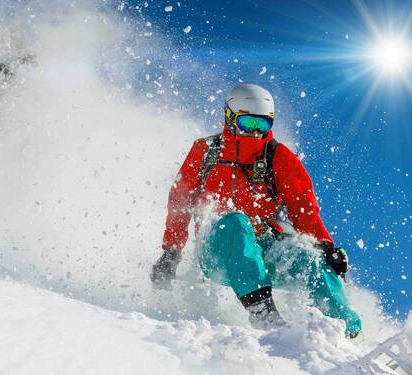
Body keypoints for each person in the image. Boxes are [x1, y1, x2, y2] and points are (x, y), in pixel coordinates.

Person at [151, 83, 362, 337]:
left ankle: (345, 330)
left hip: (265, 248)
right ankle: (263, 312)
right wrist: (171, 252)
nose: (254, 133)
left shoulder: (277, 156)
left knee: (311, 259)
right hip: (217, 250)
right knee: (235, 221)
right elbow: (180, 202)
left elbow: (302, 207)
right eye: (247, 124)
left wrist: (325, 246)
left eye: (261, 126)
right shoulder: (205, 151)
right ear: (229, 118)